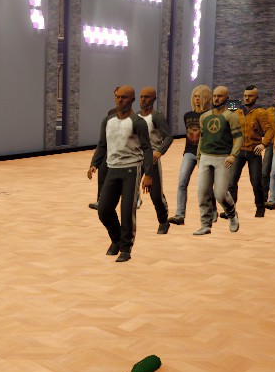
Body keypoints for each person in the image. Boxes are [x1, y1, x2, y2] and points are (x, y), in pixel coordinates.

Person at [86, 85, 156, 262]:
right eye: (117, 96)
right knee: (103, 209)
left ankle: (126, 248)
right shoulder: (108, 121)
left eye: (124, 97)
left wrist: (148, 174)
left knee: (127, 211)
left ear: (132, 100)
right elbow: (102, 144)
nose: (119, 100)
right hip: (112, 168)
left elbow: (147, 149)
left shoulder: (137, 122)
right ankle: (116, 240)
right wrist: (94, 163)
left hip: (131, 169)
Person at [193, 85, 241, 235]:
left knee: (220, 194)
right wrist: (199, 156)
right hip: (205, 157)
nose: (216, 99)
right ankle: (205, 224)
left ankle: (232, 214)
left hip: (222, 158)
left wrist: (233, 155)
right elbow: (202, 138)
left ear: (227, 98)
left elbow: (239, 137)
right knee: (202, 193)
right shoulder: (205, 117)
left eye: (220, 96)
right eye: (214, 96)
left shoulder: (231, 116)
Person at [229, 84, 274, 217]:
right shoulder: (237, 112)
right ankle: (231, 210)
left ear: (256, 97)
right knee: (231, 182)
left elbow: (270, 130)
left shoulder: (260, 113)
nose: (247, 98)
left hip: (253, 151)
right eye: (245, 96)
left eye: (250, 96)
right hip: (238, 151)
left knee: (256, 182)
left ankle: (260, 208)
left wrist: (263, 144)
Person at [169, 84, 209, 227]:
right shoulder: (187, 116)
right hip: (189, 152)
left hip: (204, 153)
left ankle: (211, 212)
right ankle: (180, 214)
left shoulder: (209, 116)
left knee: (205, 185)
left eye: (200, 96)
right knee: (182, 182)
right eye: (195, 96)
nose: (197, 99)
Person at [134, 85, 172, 233]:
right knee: (129, 190)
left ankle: (163, 221)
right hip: (136, 158)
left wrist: (159, 152)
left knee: (155, 195)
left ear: (154, 99)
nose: (143, 100)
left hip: (152, 158)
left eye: (147, 97)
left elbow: (168, 137)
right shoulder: (135, 116)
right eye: (141, 97)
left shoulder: (157, 117)